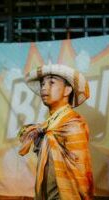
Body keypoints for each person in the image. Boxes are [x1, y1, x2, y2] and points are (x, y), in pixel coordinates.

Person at [18, 64, 94, 200]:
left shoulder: (74, 124)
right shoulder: (48, 126)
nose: (43, 87)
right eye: (42, 83)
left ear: (67, 90)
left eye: (51, 82)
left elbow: (80, 175)